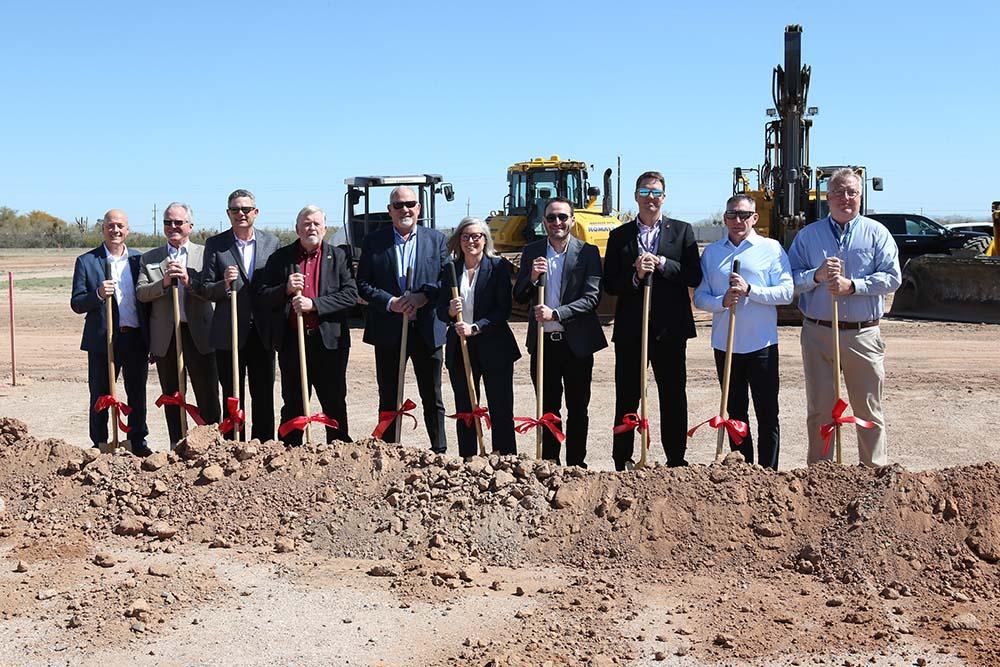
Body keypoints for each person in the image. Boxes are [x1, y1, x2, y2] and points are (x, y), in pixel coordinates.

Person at [788, 168, 901, 466]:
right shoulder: (808, 236)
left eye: (851, 192)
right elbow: (790, 280)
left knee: (868, 411)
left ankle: (874, 476)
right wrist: (816, 275)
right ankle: (821, 479)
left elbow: (892, 278)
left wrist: (853, 286)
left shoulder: (877, 233)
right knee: (821, 411)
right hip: (818, 334)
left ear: (860, 196)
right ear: (827, 198)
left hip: (862, 335)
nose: (845, 198)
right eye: (838, 192)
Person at [604, 171, 702, 470]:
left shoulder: (682, 232)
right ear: (636, 196)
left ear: (665, 196)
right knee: (627, 395)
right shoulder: (619, 236)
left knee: (673, 394)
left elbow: (693, 275)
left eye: (656, 193)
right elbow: (610, 284)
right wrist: (635, 275)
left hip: (669, 329)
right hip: (633, 329)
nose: (651, 198)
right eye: (645, 192)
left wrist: (662, 264)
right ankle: (623, 459)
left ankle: (675, 457)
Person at [693, 194, 793, 469]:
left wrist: (751, 290)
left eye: (744, 215)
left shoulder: (771, 249)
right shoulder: (713, 253)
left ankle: (769, 472)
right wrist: (721, 302)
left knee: (767, 412)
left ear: (754, 218)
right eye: (732, 215)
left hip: (761, 344)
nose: (738, 220)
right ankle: (743, 469)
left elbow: (786, 292)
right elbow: (699, 297)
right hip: (726, 346)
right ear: (724, 218)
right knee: (736, 413)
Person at [513, 197, 607, 467]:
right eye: (552, 218)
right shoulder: (532, 252)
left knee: (578, 409)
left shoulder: (587, 253)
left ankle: (576, 465)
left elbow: (591, 299)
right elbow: (519, 296)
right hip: (544, 346)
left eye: (563, 217)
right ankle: (549, 463)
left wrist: (556, 313)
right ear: (544, 222)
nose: (557, 222)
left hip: (576, 345)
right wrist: (531, 277)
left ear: (572, 220)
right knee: (547, 408)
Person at [357, 186, 449, 451]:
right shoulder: (375, 242)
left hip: (426, 330)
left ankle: (439, 450)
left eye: (410, 204)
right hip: (389, 331)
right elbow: (363, 283)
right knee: (389, 394)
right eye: (398, 205)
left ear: (419, 209)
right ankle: (389, 450)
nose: (405, 209)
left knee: (432, 395)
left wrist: (422, 298)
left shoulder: (436, 240)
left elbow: (445, 279)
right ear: (390, 211)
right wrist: (391, 303)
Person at [259, 205, 356, 445]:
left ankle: (338, 451)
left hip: (329, 342)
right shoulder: (280, 259)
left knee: (333, 400)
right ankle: (289, 453)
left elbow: (350, 295)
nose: (311, 228)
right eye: (306, 223)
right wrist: (286, 289)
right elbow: (262, 295)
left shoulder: (339, 256)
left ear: (324, 228)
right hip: (293, 341)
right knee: (294, 400)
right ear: (297, 228)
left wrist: (314, 304)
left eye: (316, 223)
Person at [196, 189, 280, 441]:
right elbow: (204, 289)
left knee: (263, 393)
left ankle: (264, 445)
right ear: (228, 213)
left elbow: (275, 286)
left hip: (262, 331)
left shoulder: (271, 243)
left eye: (246, 209)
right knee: (232, 393)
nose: (241, 214)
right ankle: (233, 444)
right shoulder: (216, 244)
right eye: (235, 210)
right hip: (228, 331)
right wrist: (223, 284)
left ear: (256, 212)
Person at [136, 202, 220, 447]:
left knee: (207, 394)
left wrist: (188, 280)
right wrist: (163, 283)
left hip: (200, 333)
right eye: (167, 222)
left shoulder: (205, 254)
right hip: (166, 335)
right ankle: (177, 443)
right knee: (173, 394)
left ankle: (211, 443)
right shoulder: (150, 258)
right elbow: (141, 293)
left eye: (178, 222)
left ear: (190, 226)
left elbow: (212, 291)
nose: (172, 227)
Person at [437, 217, 520, 458]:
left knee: (500, 406)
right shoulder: (450, 269)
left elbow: (503, 309)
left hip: (495, 346)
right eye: (466, 236)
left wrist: (476, 327)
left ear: (485, 240)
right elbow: (440, 310)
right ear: (458, 240)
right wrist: (451, 311)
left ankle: (505, 458)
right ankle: (468, 459)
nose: (471, 241)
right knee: (465, 406)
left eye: (476, 236)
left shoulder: (497, 267)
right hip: (460, 348)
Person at [70, 209, 151, 455]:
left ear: (127, 230)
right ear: (103, 229)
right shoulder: (87, 261)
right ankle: (100, 443)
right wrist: (96, 295)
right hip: (102, 340)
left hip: (135, 337)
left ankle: (137, 441)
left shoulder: (139, 260)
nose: (115, 230)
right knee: (100, 394)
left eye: (120, 226)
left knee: (137, 393)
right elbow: (77, 302)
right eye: (110, 226)